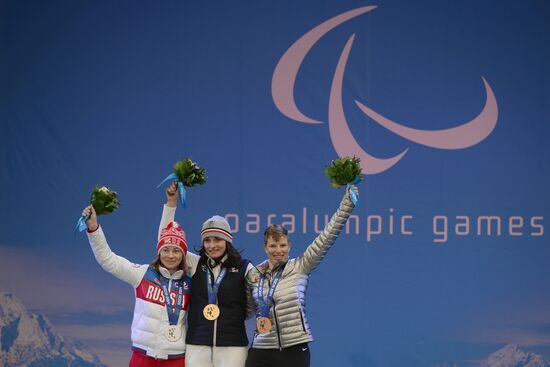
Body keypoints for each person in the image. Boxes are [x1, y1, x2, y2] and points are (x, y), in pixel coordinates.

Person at [245, 185, 357, 367]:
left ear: (289, 246)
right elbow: (247, 309)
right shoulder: (253, 274)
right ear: (265, 247)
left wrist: (347, 205)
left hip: (294, 349)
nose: (278, 251)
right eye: (273, 246)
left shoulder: (300, 266)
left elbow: (327, 237)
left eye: (282, 245)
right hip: (261, 349)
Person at [82, 204, 190, 367]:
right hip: (142, 357)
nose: (170, 255)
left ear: (183, 255)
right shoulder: (143, 274)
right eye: (166, 250)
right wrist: (93, 228)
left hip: (176, 360)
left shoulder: (190, 284)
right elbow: (108, 260)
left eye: (176, 251)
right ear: (159, 251)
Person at [160, 182, 252, 367]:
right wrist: (171, 203)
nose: (212, 245)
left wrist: (236, 318)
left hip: (232, 345)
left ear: (227, 240)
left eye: (217, 239)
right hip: (197, 343)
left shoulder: (244, 267)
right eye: (207, 240)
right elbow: (164, 240)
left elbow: (253, 303)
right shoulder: (195, 263)